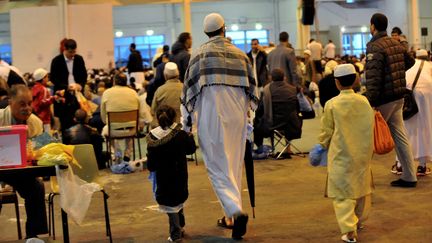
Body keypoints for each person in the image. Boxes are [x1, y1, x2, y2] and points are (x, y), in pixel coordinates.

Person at [181, 13, 258, 240]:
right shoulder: (241, 55)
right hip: (237, 117)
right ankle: (230, 219)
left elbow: (187, 94)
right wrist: (248, 119)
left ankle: (235, 211)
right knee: (233, 165)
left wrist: (187, 124)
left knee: (215, 167)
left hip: (211, 116)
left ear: (206, 32)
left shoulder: (199, 56)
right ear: (224, 29)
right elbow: (252, 91)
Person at [319, 64, 374, 243]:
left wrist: (321, 146)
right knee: (360, 187)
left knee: (343, 193)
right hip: (363, 152)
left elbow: (326, 131)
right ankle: (357, 221)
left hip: (341, 153)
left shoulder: (332, 104)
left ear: (336, 83)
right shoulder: (364, 101)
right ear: (356, 80)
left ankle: (349, 230)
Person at [364, 13, 417, 187]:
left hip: (384, 99)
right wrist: (395, 73)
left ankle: (360, 180)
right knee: (400, 137)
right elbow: (409, 62)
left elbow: (373, 77)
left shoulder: (374, 46)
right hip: (399, 97)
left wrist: (369, 101)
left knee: (367, 138)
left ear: (373, 26)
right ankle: (410, 176)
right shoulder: (396, 43)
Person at [0, 84, 47, 238]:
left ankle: (33, 236)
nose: (27, 108)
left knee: (36, 188)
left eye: (29, 103)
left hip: (20, 171)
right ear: (9, 102)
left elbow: (42, 151)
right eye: (22, 104)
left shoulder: (36, 123)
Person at [146, 105, 196, 242]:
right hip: (179, 173)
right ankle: (180, 226)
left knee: (170, 204)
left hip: (163, 177)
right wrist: (190, 136)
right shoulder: (180, 134)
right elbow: (191, 150)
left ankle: (175, 234)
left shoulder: (153, 137)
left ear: (157, 118)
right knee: (178, 199)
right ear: (174, 117)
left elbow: (151, 165)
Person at [253, 68, 301, 156]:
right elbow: (298, 108)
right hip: (292, 125)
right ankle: (288, 148)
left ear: (271, 78)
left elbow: (260, 109)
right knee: (291, 115)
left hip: (273, 125)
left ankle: (260, 148)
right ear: (284, 78)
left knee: (257, 121)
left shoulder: (267, 90)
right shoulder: (293, 89)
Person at [400, 49, 432, 176]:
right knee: (425, 129)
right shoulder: (429, 66)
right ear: (427, 56)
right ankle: (422, 165)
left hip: (410, 102)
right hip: (427, 101)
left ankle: (400, 164)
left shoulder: (410, 68)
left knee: (407, 131)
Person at [101, 72, 141, 162]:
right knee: (131, 130)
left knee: (105, 131)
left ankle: (117, 153)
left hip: (113, 130)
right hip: (132, 129)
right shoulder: (133, 93)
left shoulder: (107, 93)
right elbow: (139, 112)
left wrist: (107, 122)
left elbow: (103, 117)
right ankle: (127, 154)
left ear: (114, 81)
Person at [31, 68, 57, 133]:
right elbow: (43, 102)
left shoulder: (34, 87)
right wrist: (54, 98)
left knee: (39, 138)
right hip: (44, 118)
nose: (48, 78)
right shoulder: (43, 89)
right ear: (43, 78)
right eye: (47, 77)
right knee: (46, 140)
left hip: (36, 116)